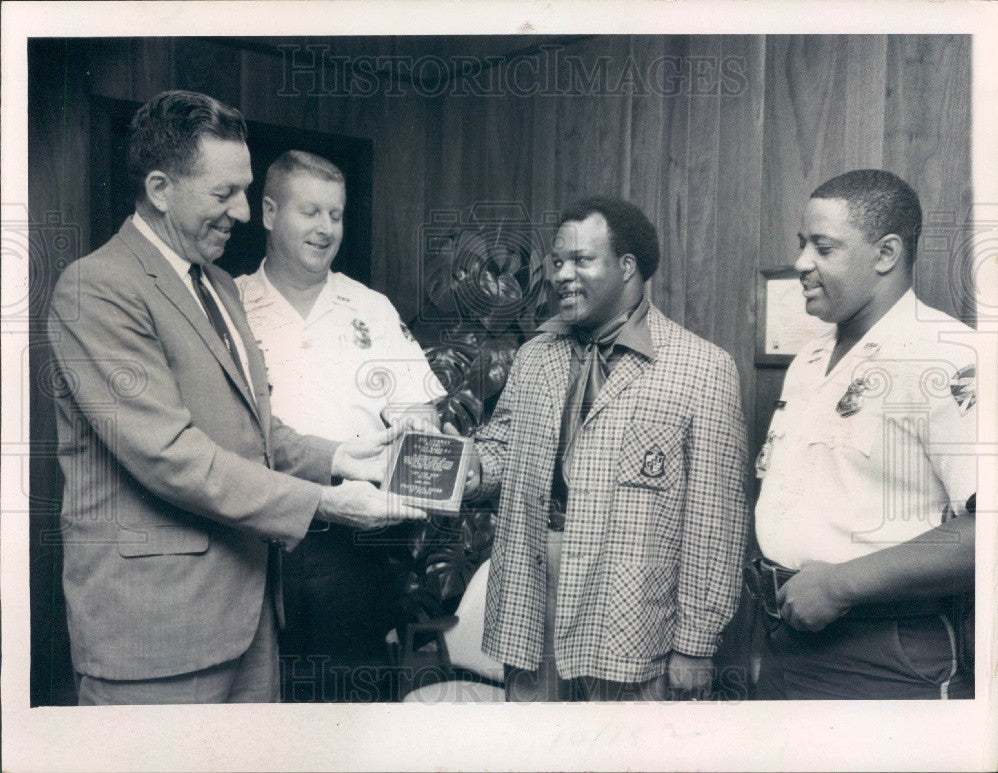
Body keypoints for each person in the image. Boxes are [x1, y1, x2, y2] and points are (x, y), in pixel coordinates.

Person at [46, 90, 423, 705]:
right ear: (161, 188)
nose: (244, 213)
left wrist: (345, 459)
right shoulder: (97, 288)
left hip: (250, 621)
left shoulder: (218, 286)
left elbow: (254, 427)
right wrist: (326, 503)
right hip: (157, 635)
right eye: (224, 195)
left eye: (244, 191)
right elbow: (172, 456)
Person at [464, 196, 749, 701]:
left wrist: (696, 645)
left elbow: (715, 522)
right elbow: (503, 448)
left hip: (634, 608)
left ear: (627, 267)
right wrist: (466, 468)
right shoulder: (535, 357)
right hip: (533, 595)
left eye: (581, 260)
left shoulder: (702, 368)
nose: (561, 275)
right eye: (557, 261)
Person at [751, 169, 977, 699]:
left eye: (823, 247)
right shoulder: (808, 360)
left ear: (885, 254)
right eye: (802, 244)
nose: (802, 262)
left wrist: (840, 585)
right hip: (784, 634)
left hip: (881, 652)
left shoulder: (948, 355)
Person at [235, 150, 445, 685]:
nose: (326, 228)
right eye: (310, 212)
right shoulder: (228, 306)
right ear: (268, 212)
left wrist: (424, 447)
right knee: (256, 711)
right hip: (250, 543)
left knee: (350, 710)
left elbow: (419, 416)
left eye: (336, 214)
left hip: (354, 548)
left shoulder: (370, 308)